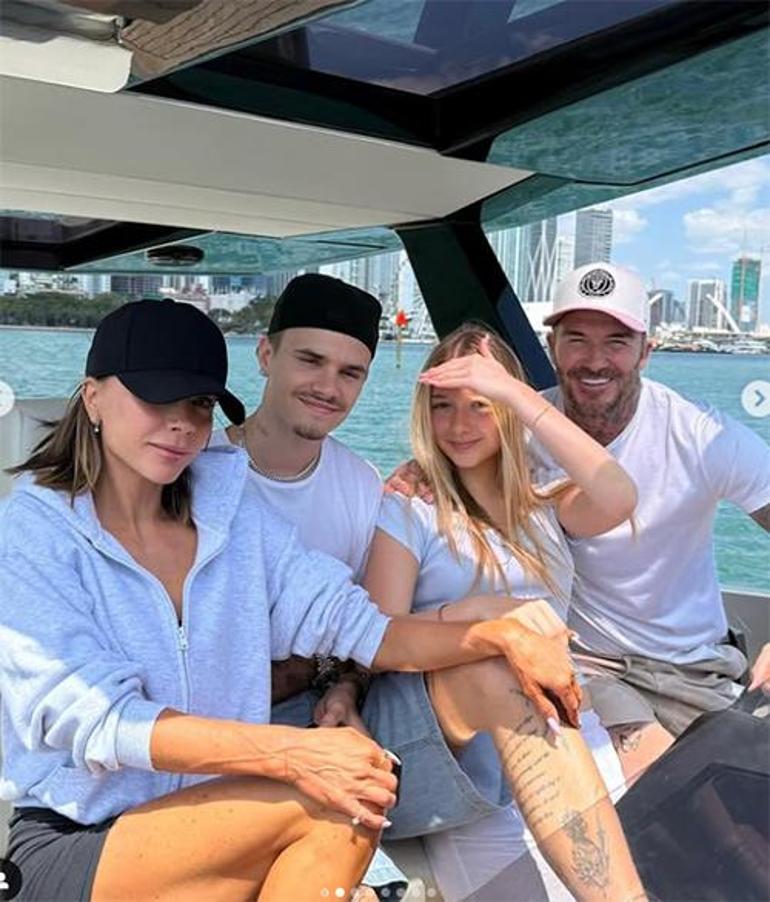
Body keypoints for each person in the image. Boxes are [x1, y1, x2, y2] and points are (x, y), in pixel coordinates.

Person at [0, 298, 593, 901]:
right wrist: (295, 752)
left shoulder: (231, 517)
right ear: (93, 397)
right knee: (338, 794)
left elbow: (359, 624)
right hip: (81, 834)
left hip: (218, 810)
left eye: (199, 404)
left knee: (357, 786)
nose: (181, 424)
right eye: (157, 399)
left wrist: (498, 634)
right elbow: (99, 721)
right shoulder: (34, 533)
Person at [361, 323, 645, 901]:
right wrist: (477, 614)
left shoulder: (545, 503)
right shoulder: (412, 510)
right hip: (463, 748)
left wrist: (518, 395)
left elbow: (618, 495)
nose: (458, 426)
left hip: (563, 729)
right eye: (442, 406)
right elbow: (377, 638)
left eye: (481, 406)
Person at [531, 262, 770, 781]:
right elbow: (445, 471)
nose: (595, 360)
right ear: (552, 347)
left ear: (646, 351)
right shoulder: (519, 431)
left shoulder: (700, 434)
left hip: (696, 669)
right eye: (576, 339)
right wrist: (419, 474)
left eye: (616, 342)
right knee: (664, 793)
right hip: (590, 666)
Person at [208, 273, 405, 893]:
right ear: (266, 355)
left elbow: (367, 625)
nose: (328, 387)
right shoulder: (194, 469)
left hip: (311, 711)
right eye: (310, 360)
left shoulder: (362, 484)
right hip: (209, 721)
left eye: (350, 373)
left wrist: (345, 688)